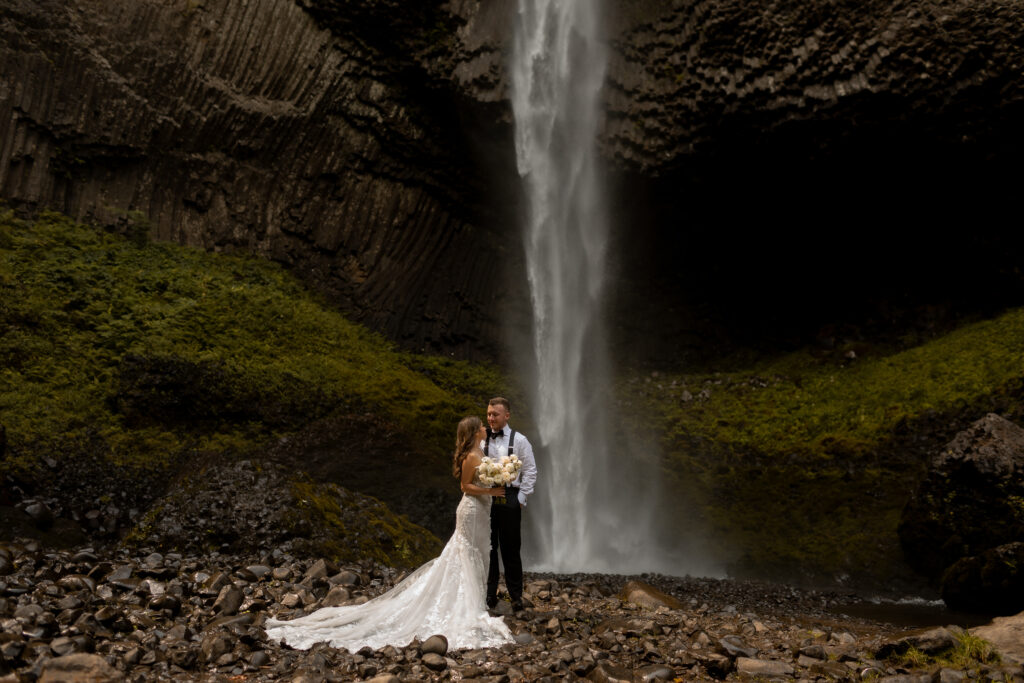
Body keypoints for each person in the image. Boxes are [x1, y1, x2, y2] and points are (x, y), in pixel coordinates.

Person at [264, 417, 514, 651]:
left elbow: (482, 480)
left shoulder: (480, 451)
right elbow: (465, 486)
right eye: (481, 425)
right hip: (471, 511)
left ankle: (475, 602)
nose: (485, 427)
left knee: (481, 553)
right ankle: (466, 607)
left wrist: (500, 478)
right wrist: (492, 492)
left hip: (482, 512)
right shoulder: (471, 456)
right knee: (465, 554)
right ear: (473, 433)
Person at [483, 397, 537, 612]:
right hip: (486, 498)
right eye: (488, 414)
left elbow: (530, 470)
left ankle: (516, 596)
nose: (490, 418)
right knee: (488, 549)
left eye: (495, 414)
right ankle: (489, 594)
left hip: (510, 496)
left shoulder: (520, 440)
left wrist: (521, 499)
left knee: (511, 549)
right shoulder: (481, 438)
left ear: (507, 415)